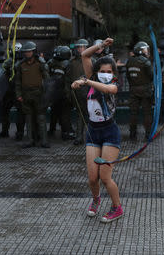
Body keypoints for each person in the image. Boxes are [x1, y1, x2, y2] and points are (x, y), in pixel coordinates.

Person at [71, 37, 123, 223]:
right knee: (92, 178)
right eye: (103, 71)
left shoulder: (114, 84)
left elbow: (108, 90)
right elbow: (85, 55)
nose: (107, 74)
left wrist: (85, 82)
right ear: (97, 72)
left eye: (110, 72)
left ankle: (117, 208)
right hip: (93, 132)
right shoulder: (92, 78)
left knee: (105, 177)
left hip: (110, 132)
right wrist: (102, 45)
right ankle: (95, 200)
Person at [15, 41, 50, 148]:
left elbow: (47, 79)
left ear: (34, 52)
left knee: (41, 118)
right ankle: (30, 140)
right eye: (25, 52)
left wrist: (46, 94)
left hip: (39, 94)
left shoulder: (41, 64)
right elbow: (18, 82)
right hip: (26, 94)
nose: (27, 54)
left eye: (29, 52)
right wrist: (19, 95)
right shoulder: (20, 65)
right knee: (28, 119)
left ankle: (44, 140)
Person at [126, 41, 153, 140]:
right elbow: (151, 76)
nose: (146, 51)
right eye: (145, 49)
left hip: (133, 89)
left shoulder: (129, 61)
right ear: (141, 51)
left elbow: (128, 76)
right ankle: (148, 134)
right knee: (147, 112)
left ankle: (132, 134)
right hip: (145, 90)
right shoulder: (146, 62)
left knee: (133, 113)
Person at [47, 45, 75, 140]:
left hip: (53, 91)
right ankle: (66, 132)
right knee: (64, 113)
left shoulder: (51, 63)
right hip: (63, 92)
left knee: (54, 112)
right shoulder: (67, 64)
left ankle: (52, 129)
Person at [66, 38, 90, 145]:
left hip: (89, 92)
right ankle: (79, 136)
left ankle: (92, 136)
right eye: (79, 47)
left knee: (91, 115)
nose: (81, 49)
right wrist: (68, 92)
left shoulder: (91, 61)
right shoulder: (72, 62)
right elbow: (67, 79)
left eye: (83, 47)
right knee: (80, 115)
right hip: (76, 92)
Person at [0, 43, 25, 140]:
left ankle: (19, 132)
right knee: (8, 112)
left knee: (20, 113)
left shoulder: (21, 62)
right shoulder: (10, 62)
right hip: (9, 91)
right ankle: (7, 131)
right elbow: (1, 72)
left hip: (17, 91)